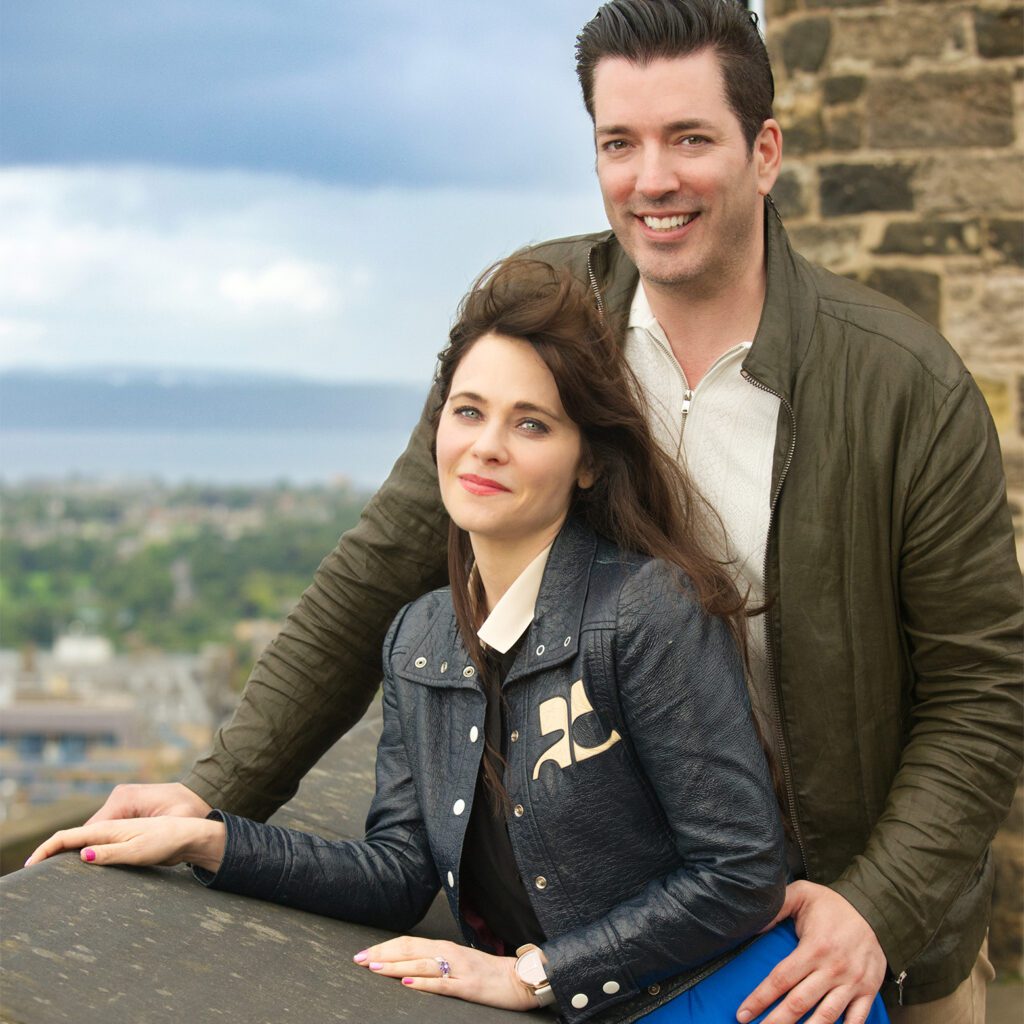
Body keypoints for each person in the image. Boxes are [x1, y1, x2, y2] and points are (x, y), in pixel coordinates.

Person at [80, 3, 1023, 1022]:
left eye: (689, 138)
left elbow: (981, 685)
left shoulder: (900, 384)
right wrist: (219, 792)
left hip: (844, 950)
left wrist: (874, 904)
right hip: (615, 933)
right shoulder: (550, 312)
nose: (650, 178)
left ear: (764, 152)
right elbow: (377, 574)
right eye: (619, 142)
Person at [29, 260, 890, 1024]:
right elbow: (402, 872)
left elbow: (741, 873)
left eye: (531, 424)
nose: (485, 446)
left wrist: (535, 976)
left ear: (587, 460)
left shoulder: (646, 611)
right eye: (469, 412)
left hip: (732, 1000)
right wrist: (212, 838)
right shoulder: (420, 637)